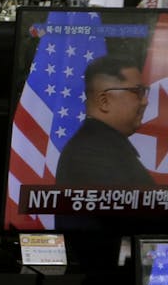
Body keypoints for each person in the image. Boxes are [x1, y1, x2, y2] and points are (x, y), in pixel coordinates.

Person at [56, 55, 154, 192]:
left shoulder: (102, 148)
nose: (145, 101)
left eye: (144, 92)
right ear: (104, 101)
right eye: (138, 92)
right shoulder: (91, 156)